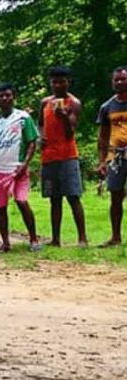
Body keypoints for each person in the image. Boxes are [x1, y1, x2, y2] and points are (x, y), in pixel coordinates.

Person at [0, 82, 40, 252]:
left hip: (17, 169)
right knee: (0, 207)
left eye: (8, 95)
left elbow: (32, 142)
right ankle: (5, 242)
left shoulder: (23, 118)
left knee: (22, 201)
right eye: (1, 96)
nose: (4, 98)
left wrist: (25, 164)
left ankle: (33, 239)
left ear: (13, 97)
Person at [38, 66, 87, 247]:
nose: (58, 85)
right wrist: (41, 137)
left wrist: (65, 117)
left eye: (61, 81)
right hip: (49, 156)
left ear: (68, 82)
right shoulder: (45, 102)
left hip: (67, 156)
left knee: (73, 196)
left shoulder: (73, 103)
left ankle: (82, 238)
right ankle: (56, 238)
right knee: (54, 198)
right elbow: (40, 123)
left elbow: (70, 133)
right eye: (54, 82)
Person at [97, 66, 127, 248]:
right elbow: (102, 137)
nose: (120, 82)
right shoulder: (107, 107)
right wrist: (101, 161)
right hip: (115, 157)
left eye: (123, 79)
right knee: (115, 196)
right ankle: (115, 237)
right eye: (117, 80)